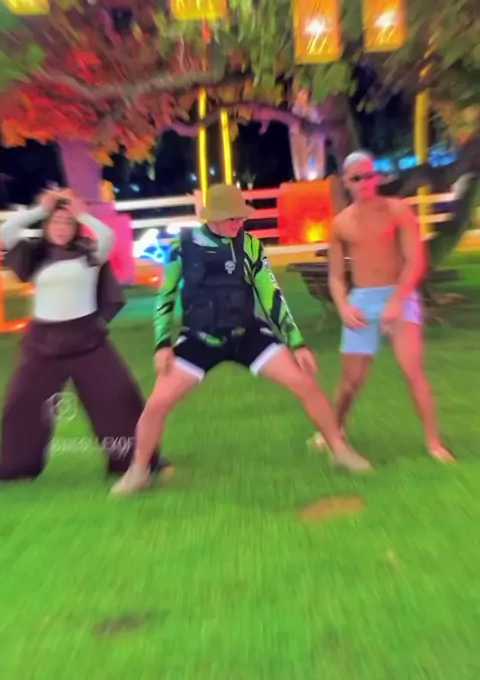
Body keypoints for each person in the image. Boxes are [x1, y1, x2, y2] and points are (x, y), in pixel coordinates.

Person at [111, 183, 372, 495]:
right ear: (214, 216)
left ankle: (339, 451)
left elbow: (271, 295)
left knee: (305, 383)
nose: (239, 222)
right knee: (157, 403)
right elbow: (165, 296)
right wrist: (162, 343)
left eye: (241, 217)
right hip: (200, 338)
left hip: (247, 334)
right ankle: (139, 470)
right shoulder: (183, 247)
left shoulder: (250, 246)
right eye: (233, 217)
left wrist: (297, 343)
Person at [0, 187, 168, 481]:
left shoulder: (90, 254)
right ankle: (16, 466)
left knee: (118, 396)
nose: (61, 228)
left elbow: (108, 237)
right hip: (42, 342)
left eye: (67, 222)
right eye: (55, 222)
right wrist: (40, 209)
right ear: (46, 225)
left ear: (75, 226)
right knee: (22, 402)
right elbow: (7, 231)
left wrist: (83, 213)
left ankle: (134, 460)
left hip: (87, 340)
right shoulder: (36, 255)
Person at [310, 151, 454, 462]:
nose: (364, 182)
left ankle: (434, 443)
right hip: (362, 300)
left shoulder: (397, 209)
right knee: (350, 382)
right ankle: (334, 430)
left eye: (369, 175)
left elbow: (415, 261)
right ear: (346, 182)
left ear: (377, 177)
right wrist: (343, 307)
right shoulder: (340, 223)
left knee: (411, 369)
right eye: (356, 178)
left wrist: (397, 299)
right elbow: (336, 276)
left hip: (399, 294)